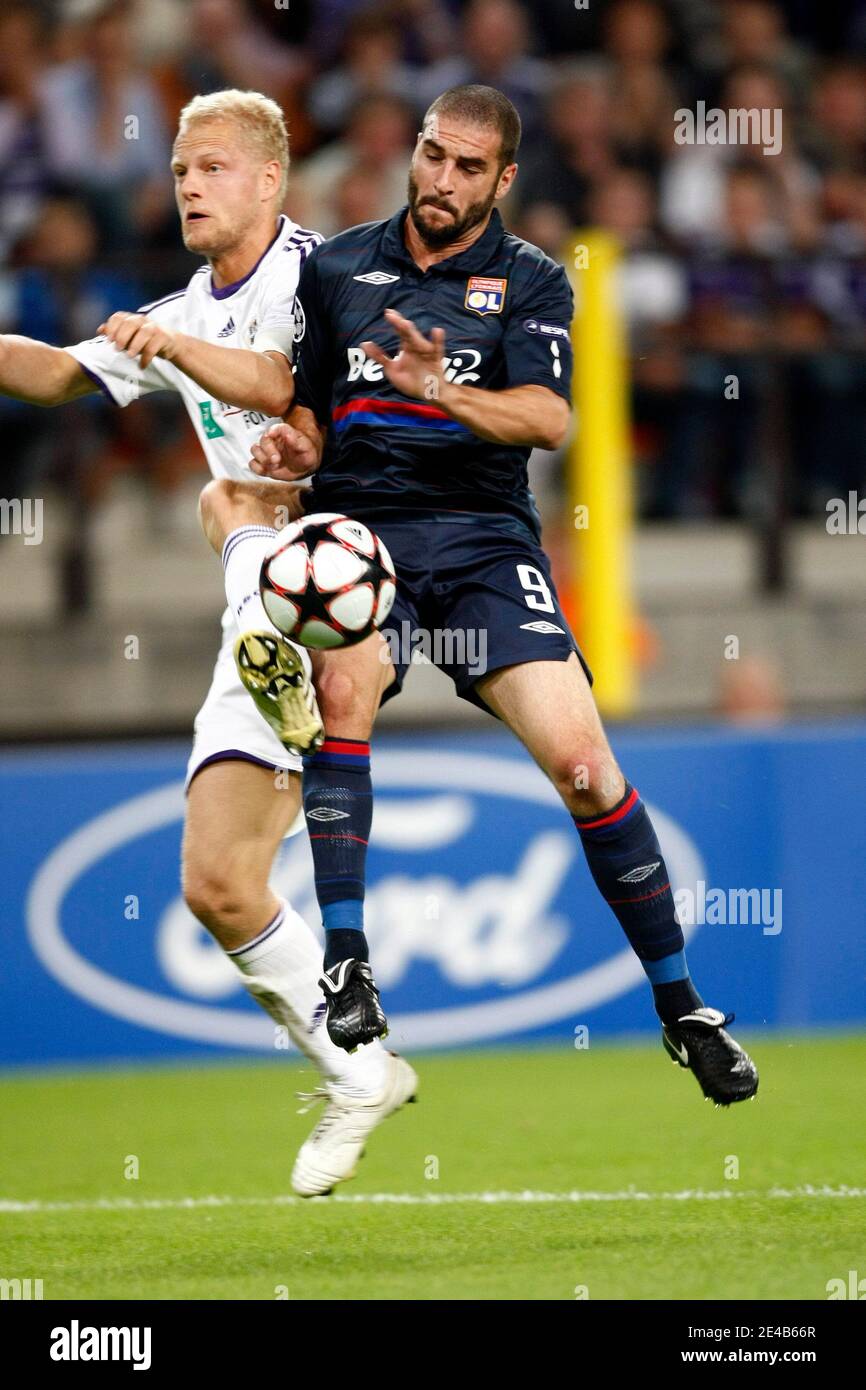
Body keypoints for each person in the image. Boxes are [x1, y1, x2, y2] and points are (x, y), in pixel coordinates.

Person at [201, 84, 759, 1107]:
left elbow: (547, 419)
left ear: (501, 181)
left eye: (467, 167)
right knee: (343, 695)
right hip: (363, 538)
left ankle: (679, 1006)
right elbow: (308, 412)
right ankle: (347, 964)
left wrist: (440, 390)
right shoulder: (335, 269)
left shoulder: (533, 280)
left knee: (587, 765)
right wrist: (295, 442)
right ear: (413, 152)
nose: (441, 180)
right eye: (430, 155)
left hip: (483, 545)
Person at [0, 88, 417, 1197]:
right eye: (182, 167)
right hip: (265, 602)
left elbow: (281, 384)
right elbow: (50, 375)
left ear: (271, 181)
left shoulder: (321, 275)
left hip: (349, 574)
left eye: (215, 167)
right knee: (219, 883)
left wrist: (174, 348)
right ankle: (359, 1067)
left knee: (230, 508)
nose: (189, 183)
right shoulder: (183, 305)